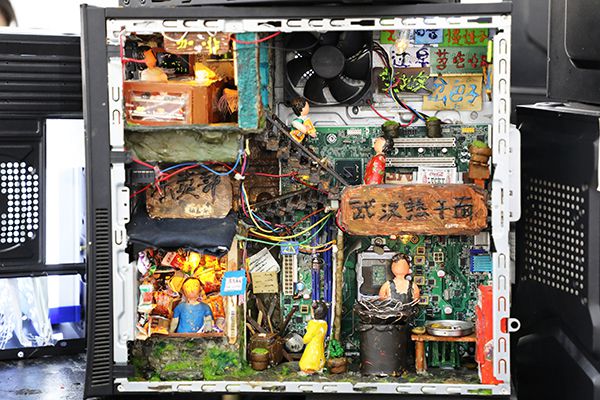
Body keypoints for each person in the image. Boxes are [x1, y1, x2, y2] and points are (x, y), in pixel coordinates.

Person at [299, 301, 328, 374]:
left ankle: (310, 369)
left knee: (306, 364)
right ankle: (319, 367)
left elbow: (306, 339)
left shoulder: (313, 324)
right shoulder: (324, 324)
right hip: (320, 348)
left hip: (312, 351)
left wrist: (304, 338)